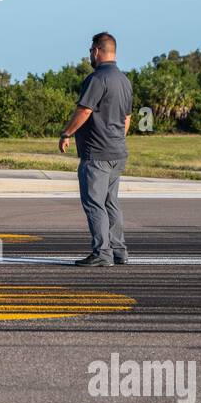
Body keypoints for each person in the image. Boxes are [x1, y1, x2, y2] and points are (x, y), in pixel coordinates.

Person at [59, 31, 133, 266]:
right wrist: (117, 139)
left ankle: (102, 252)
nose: (90, 54)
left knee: (94, 203)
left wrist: (66, 132)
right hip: (117, 152)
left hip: (97, 154)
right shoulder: (124, 80)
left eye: (91, 50)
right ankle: (118, 250)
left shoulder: (97, 79)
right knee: (111, 203)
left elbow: (84, 111)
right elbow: (127, 118)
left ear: (97, 51)